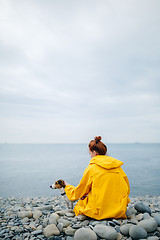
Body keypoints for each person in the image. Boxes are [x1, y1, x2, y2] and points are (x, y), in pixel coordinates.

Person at [65, 136, 130, 220]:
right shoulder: (118, 167)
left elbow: (79, 192)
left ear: (95, 153)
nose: (90, 156)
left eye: (90, 153)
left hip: (99, 211)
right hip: (119, 209)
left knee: (81, 204)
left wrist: (67, 187)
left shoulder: (92, 168)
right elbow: (126, 188)